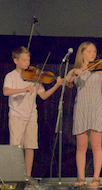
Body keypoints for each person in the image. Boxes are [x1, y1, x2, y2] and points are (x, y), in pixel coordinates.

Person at [65, 41, 102, 188]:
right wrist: (74, 72)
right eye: (89, 51)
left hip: (96, 109)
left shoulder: (100, 70)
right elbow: (67, 81)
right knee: (81, 146)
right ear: (82, 53)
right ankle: (81, 177)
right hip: (81, 109)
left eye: (94, 51)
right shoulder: (77, 70)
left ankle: (96, 178)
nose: (92, 54)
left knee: (97, 145)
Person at [3, 46, 62, 188]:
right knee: (16, 147)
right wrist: (24, 89)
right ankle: (15, 178)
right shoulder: (10, 76)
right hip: (17, 116)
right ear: (16, 60)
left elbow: (43, 95)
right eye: (24, 60)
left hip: (31, 116)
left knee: (30, 146)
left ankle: (27, 176)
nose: (27, 62)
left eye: (28, 59)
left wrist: (57, 85)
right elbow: (6, 92)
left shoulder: (34, 77)